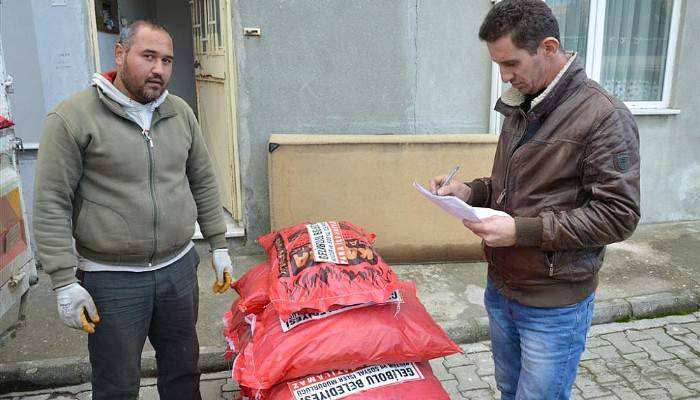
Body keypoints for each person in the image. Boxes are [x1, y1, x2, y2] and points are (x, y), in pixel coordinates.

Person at [430, 1, 640, 398]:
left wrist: (520, 231)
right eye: (498, 66)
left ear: (548, 47)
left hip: (553, 303)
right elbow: (513, 187)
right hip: (503, 286)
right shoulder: (523, 104)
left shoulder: (604, 116)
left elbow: (619, 216)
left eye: (511, 64)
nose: (505, 76)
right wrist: (471, 192)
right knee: (510, 390)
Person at [32, 21, 234, 399]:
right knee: (116, 383)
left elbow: (203, 180)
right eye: (149, 56)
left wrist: (218, 244)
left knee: (183, 372)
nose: (159, 69)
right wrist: (63, 280)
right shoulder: (73, 118)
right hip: (111, 280)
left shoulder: (180, 113)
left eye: (168, 60)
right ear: (121, 54)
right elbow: (50, 202)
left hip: (177, 271)